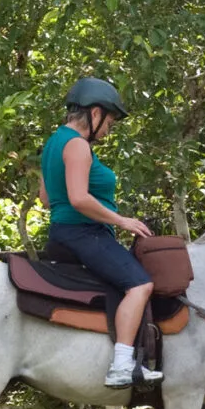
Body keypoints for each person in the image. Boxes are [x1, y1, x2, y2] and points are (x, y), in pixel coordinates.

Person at [41, 77, 161, 388]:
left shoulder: (53, 143)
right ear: (95, 114)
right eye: (110, 121)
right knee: (140, 285)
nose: (109, 130)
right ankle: (122, 364)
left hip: (63, 232)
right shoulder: (78, 145)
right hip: (83, 233)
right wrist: (122, 221)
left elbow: (46, 197)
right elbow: (79, 198)